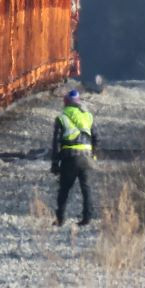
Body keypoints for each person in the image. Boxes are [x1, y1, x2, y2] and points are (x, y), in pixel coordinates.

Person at [51, 89, 98, 227]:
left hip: (69, 158)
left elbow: (55, 143)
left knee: (64, 189)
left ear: (66, 102)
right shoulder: (88, 116)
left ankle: (60, 219)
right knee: (86, 188)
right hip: (86, 158)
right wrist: (93, 155)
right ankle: (87, 218)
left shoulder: (61, 118)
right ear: (79, 102)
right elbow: (96, 138)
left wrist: (55, 163)